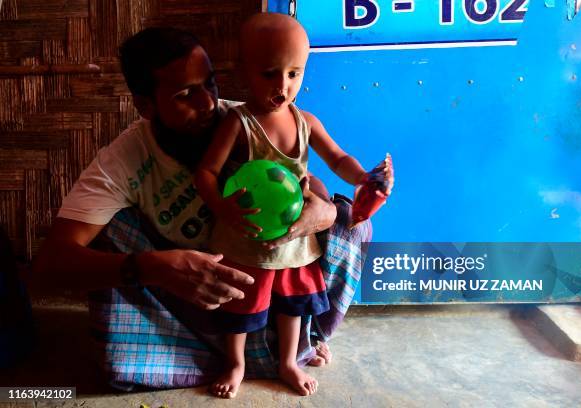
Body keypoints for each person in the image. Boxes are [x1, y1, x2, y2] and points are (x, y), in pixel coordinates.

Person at [32, 26, 372, 391]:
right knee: (114, 233)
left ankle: (290, 348)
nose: (208, 103)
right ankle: (240, 359)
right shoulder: (123, 163)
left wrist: (326, 213)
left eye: (209, 84)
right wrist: (152, 268)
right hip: (193, 307)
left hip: (272, 270)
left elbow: (304, 180)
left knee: (351, 221)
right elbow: (51, 267)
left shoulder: (241, 119)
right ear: (145, 105)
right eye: (185, 94)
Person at [195, 13, 392, 398]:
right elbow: (205, 171)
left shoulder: (305, 121)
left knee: (294, 303)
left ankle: (288, 361)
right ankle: (235, 363)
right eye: (269, 73)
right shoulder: (239, 123)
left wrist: (363, 178)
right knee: (240, 301)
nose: (282, 86)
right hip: (246, 233)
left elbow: (337, 158)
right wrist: (222, 207)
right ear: (243, 71)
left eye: (293, 73)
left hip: (295, 237)